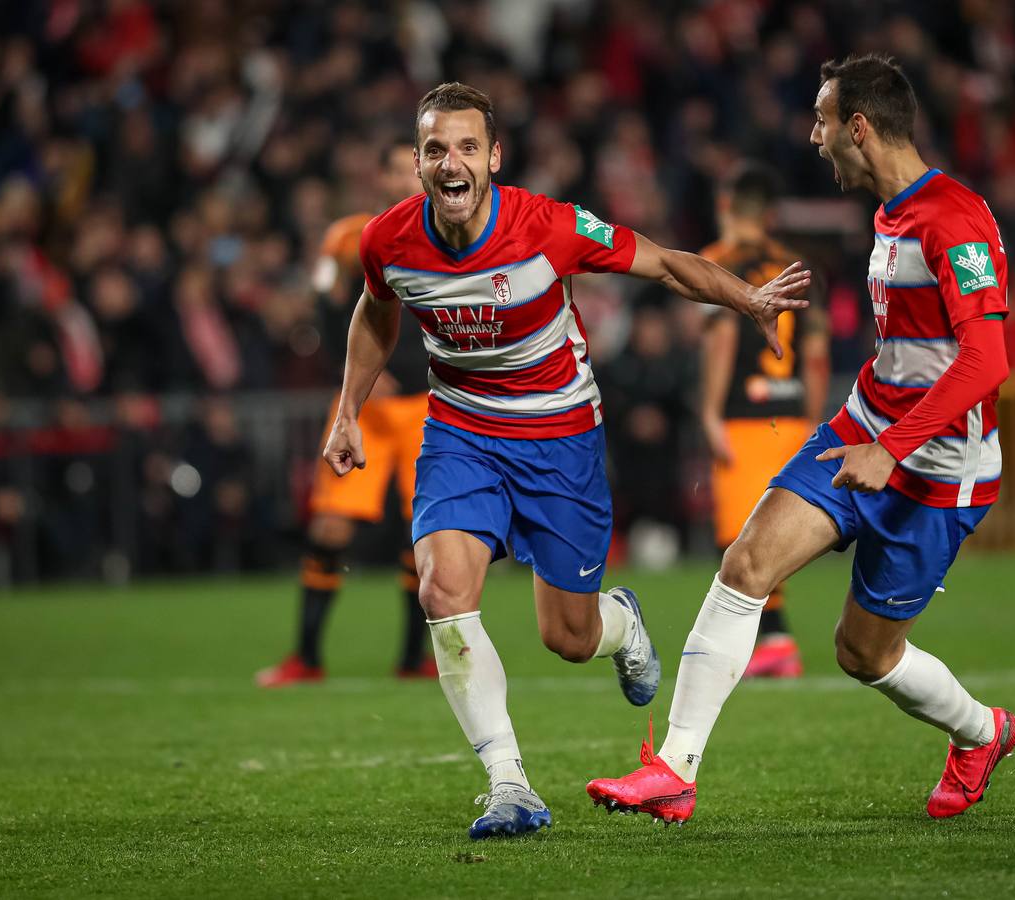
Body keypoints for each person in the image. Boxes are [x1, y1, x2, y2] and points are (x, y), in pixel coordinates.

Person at [324, 82, 811, 839]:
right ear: (418, 164)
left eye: (465, 147)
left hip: (560, 440)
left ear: (494, 157)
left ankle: (622, 623)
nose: (450, 163)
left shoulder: (546, 227)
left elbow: (665, 264)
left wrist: (747, 301)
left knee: (569, 638)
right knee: (442, 588)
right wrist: (347, 407)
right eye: (434, 150)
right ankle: (508, 784)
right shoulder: (386, 240)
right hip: (460, 432)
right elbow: (376, 311)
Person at [586, 54, 1015, 825]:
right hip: (863, 425)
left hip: (939, 470)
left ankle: (982, 733)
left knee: (865, 654)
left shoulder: (952, 217)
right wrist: (875, 432)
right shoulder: (888, 211)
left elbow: (987, 360)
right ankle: (674, 770)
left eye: (822, 121)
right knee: (747, 561)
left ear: (858, 127)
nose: (814, 138)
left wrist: (894, 450)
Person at [256, 138, 436, 687]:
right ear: (381, 178)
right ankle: (306, 657)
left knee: (422, 536)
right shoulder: (345, 239)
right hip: (361, 406)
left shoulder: (453, 238)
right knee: (330, 527)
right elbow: (326, 310)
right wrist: (356, 374)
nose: (408, 179)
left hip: (428, 408)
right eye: (397, 169)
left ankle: (413, 660)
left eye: (416, 168)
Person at [698, 163, 828, 678]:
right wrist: (814, 417)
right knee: (773, 530)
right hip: (792, 415)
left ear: (727, 206)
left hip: (743, 416)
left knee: (738, 537)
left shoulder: (719, 261)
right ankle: (773, 641)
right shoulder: (797, 266)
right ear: (770, 215)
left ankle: (771, 640)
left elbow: (721, 338)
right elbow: (816, 353)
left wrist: (709, 412)